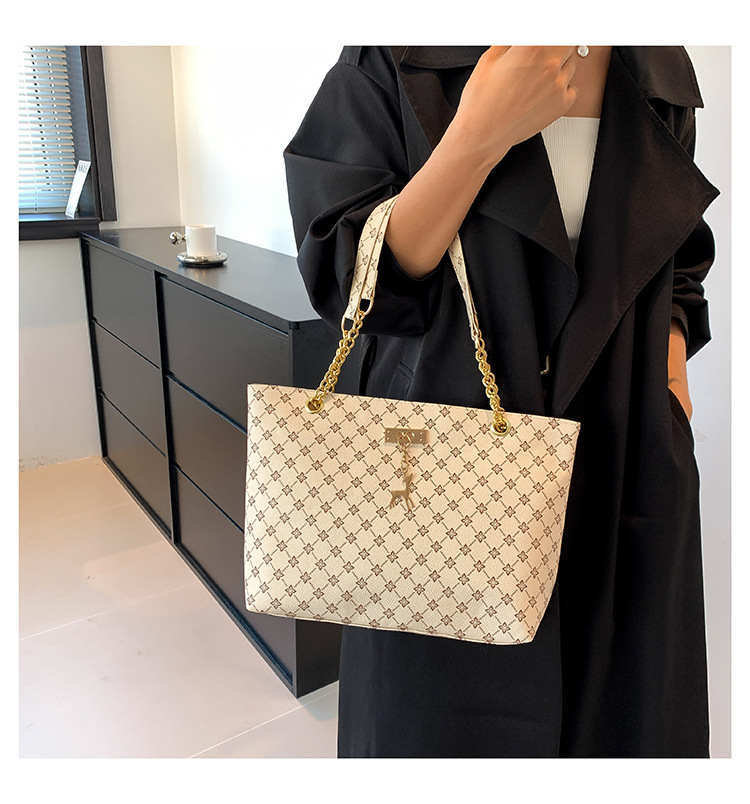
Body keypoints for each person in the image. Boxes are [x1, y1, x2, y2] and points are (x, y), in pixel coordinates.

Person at [283, 46, 719, 758]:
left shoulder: (657, 65)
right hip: (437, 477)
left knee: (622, 728)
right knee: (441, 738)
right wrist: (478, 134)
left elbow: (678, 254)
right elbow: (346, 273)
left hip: (625, 462)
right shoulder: (397, 51)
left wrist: (671, 379)